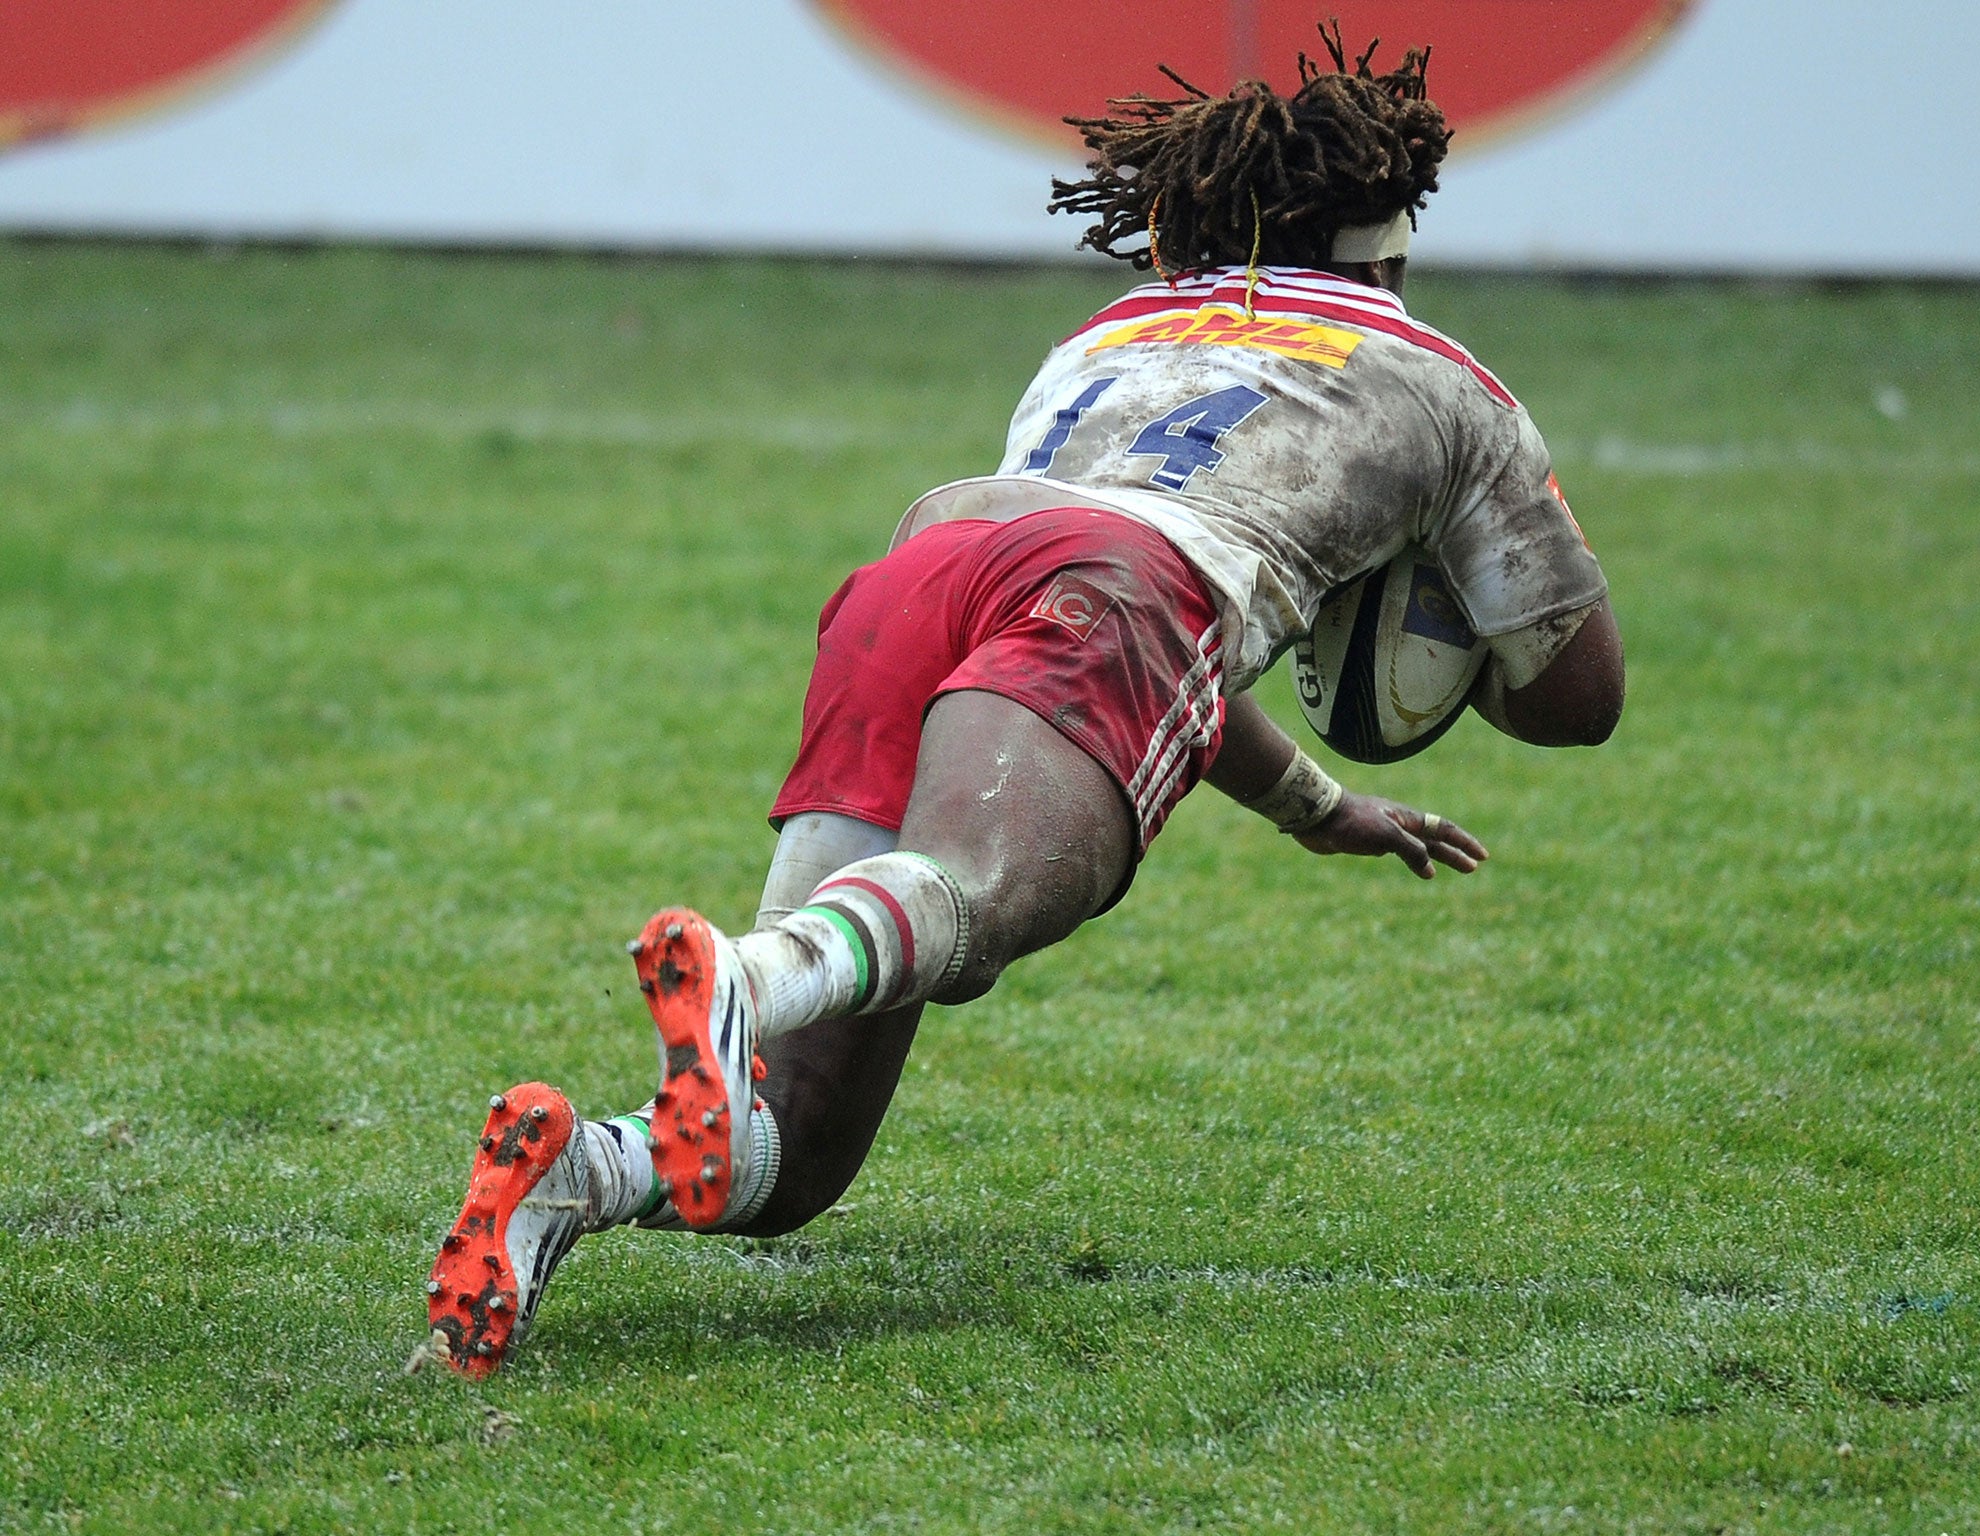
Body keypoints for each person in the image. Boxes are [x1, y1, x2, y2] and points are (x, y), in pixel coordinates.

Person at [423, 26, 1624, 1377]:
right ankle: (744, 978)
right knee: (979, 902)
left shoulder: (1105, 338)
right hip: (1113, 592)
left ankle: (564, 1177)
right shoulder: (1444, 386)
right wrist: (1430, 601)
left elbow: (1135, 675)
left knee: (796, 1147)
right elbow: (1578, 698)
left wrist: (1319, 803)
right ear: (1391, 249)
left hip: (922, 567)